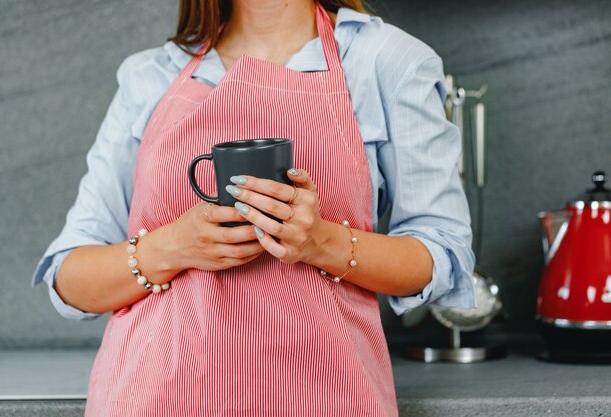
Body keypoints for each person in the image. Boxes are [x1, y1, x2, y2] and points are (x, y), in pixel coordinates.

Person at [32, 0, 476, 415]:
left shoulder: (388, 62)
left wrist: (323, 242)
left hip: (326, 395)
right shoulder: (150, 76)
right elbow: (69, 280)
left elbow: (442, 256)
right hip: (149, 397)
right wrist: (173, 247)